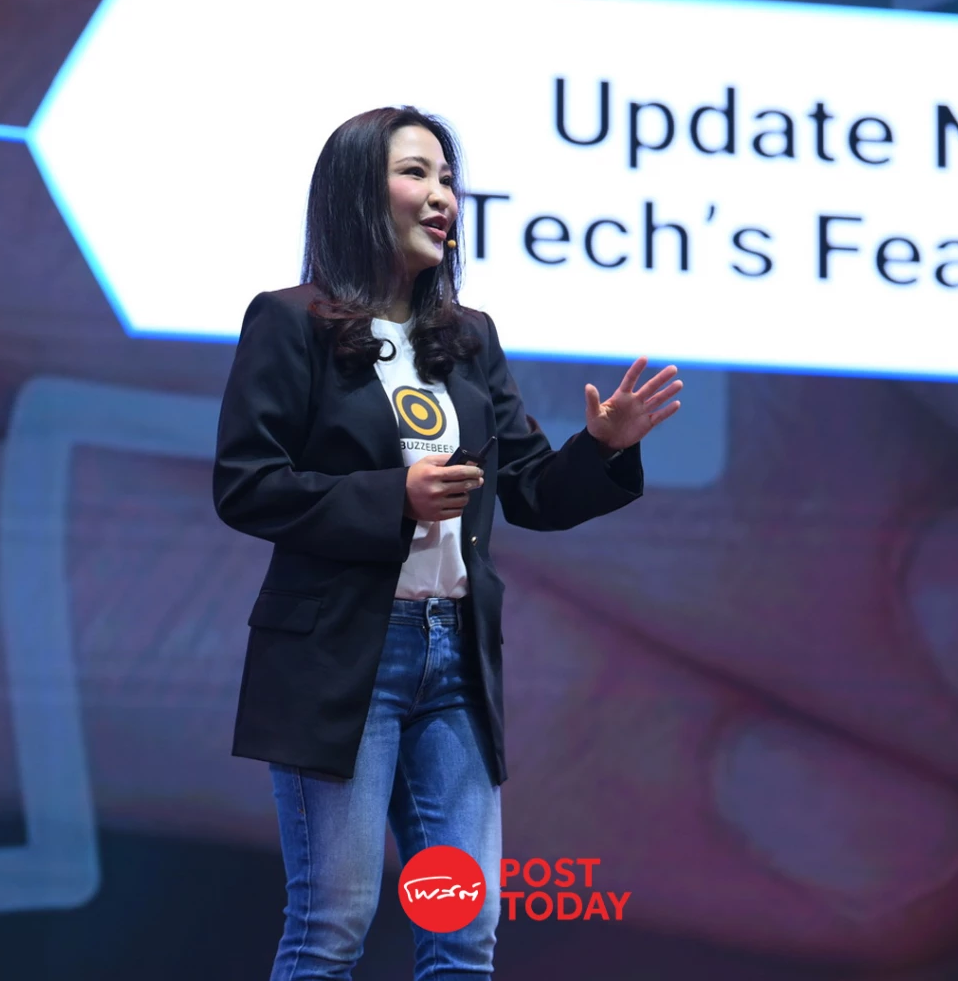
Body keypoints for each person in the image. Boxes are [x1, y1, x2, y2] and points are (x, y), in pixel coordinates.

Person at [209, 106, 684, 981]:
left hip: (454, 659)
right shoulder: (289, 321)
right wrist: (396, 498)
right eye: (416, 174)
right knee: (332, 925)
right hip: (342, 658)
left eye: (448, 180)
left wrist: (604, 449)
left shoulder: (468, 339)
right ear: (358, 192)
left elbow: (531, 490)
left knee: (463, 935)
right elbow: (248, 484)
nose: (442, 198)